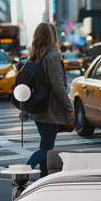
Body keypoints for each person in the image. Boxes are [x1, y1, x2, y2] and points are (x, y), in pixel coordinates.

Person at [26, 23, 74, 177]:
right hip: (50, 109)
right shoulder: (53, 56)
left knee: (44, 146)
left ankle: (44, 177)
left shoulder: (33, 56)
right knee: (47, 148)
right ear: (52, 36)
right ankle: (23, 172)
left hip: (38, 108)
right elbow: (57, 86)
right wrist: (69, 107)